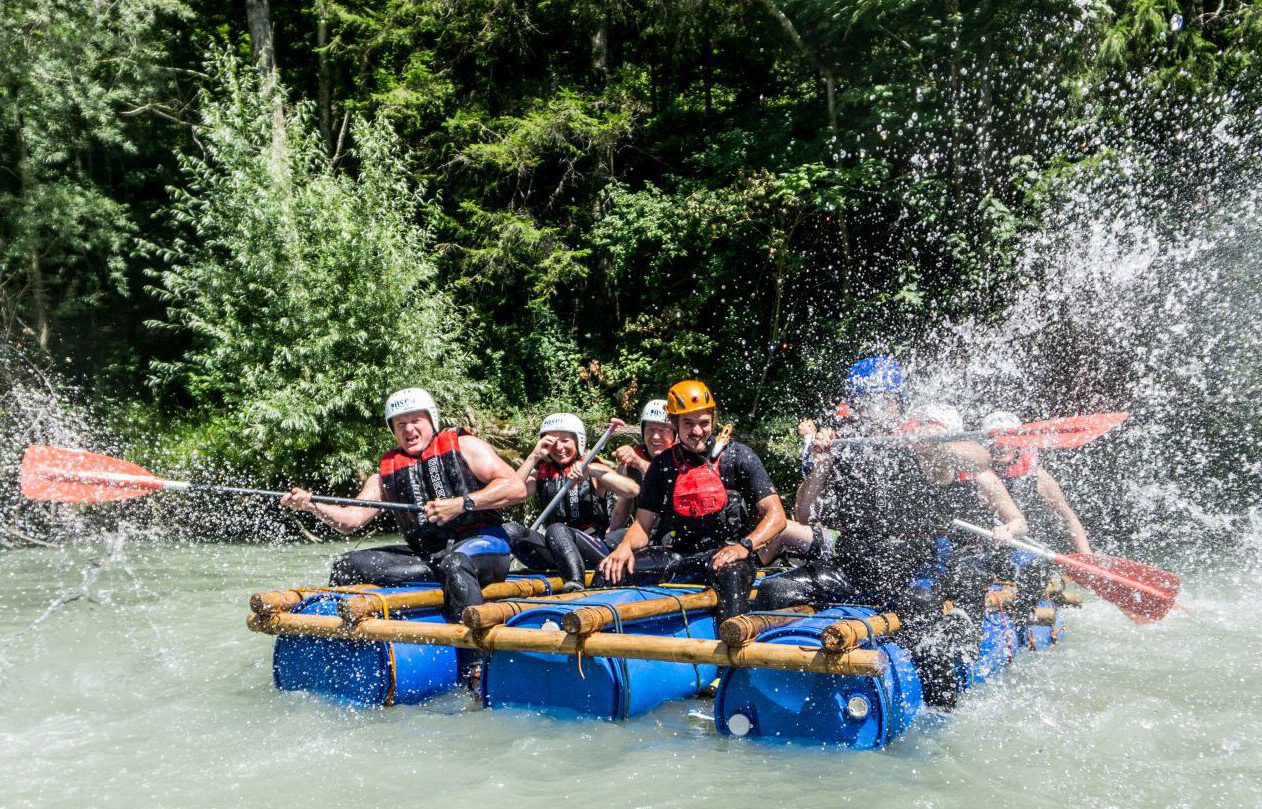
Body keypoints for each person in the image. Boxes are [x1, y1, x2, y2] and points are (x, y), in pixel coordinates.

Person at [756, 357, 1027, 708]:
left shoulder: (919, 443)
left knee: (926, 618)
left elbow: (980, 459)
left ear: (898, 401)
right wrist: (821, 464)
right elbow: (804, 514)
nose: (873, 410)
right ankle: (764, 679)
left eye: (883, 400)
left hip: (909, 574)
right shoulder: (845, 444)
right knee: (777, 588)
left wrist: (937, 445)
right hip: (853, 564)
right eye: (865, 402)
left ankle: (942, 706)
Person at [280, 387, 527, 682]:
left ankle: (475, 668)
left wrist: (461, 504)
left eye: (416, 421)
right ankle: (347, 647)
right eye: (400, 424)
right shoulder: (385, 472)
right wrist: (313, 505)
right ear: (393, 431)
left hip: (485, 546)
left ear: (431, 420)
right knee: (347, 564)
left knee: (456, 564)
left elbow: (516, 488)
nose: (409, 429)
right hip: (431, 556)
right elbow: (351, 520)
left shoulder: (465, 446)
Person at [597, 380, 787, 624]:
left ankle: (734, 652)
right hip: (682, 556)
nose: (697, 431)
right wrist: (624, 547)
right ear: (674, 423)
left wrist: (744, 547)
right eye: (688, 423)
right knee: (608, 571)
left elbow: (777, 515)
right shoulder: (662, 465)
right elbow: (643, 526)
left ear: (713, 421)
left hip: (729, 556)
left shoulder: (739, 456)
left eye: (704, 423)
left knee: (729, 572)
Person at [508, 413, 640, 591]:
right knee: (510, 531)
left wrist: (591, 470)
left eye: (565, 440)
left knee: (557, 530)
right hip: (556, 549)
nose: (559, 447)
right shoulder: (541, 473)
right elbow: (509, 493)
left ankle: (574, 583)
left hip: (594, 546)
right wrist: (533, 457)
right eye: (552, 441)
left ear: (579, 441)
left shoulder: (593, 467)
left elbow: (632, 490)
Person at [607, 398, 676, 537]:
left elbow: (669, 480)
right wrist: (608, 536)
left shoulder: (683, 457)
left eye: (663, 430)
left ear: (675, 433)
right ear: (643, 431)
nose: (656, 437)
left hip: (675, 533)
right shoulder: (634, 462)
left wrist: (637, 462)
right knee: (612, 540)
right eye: (650, 429)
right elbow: (622, 509)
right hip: (643, 532)